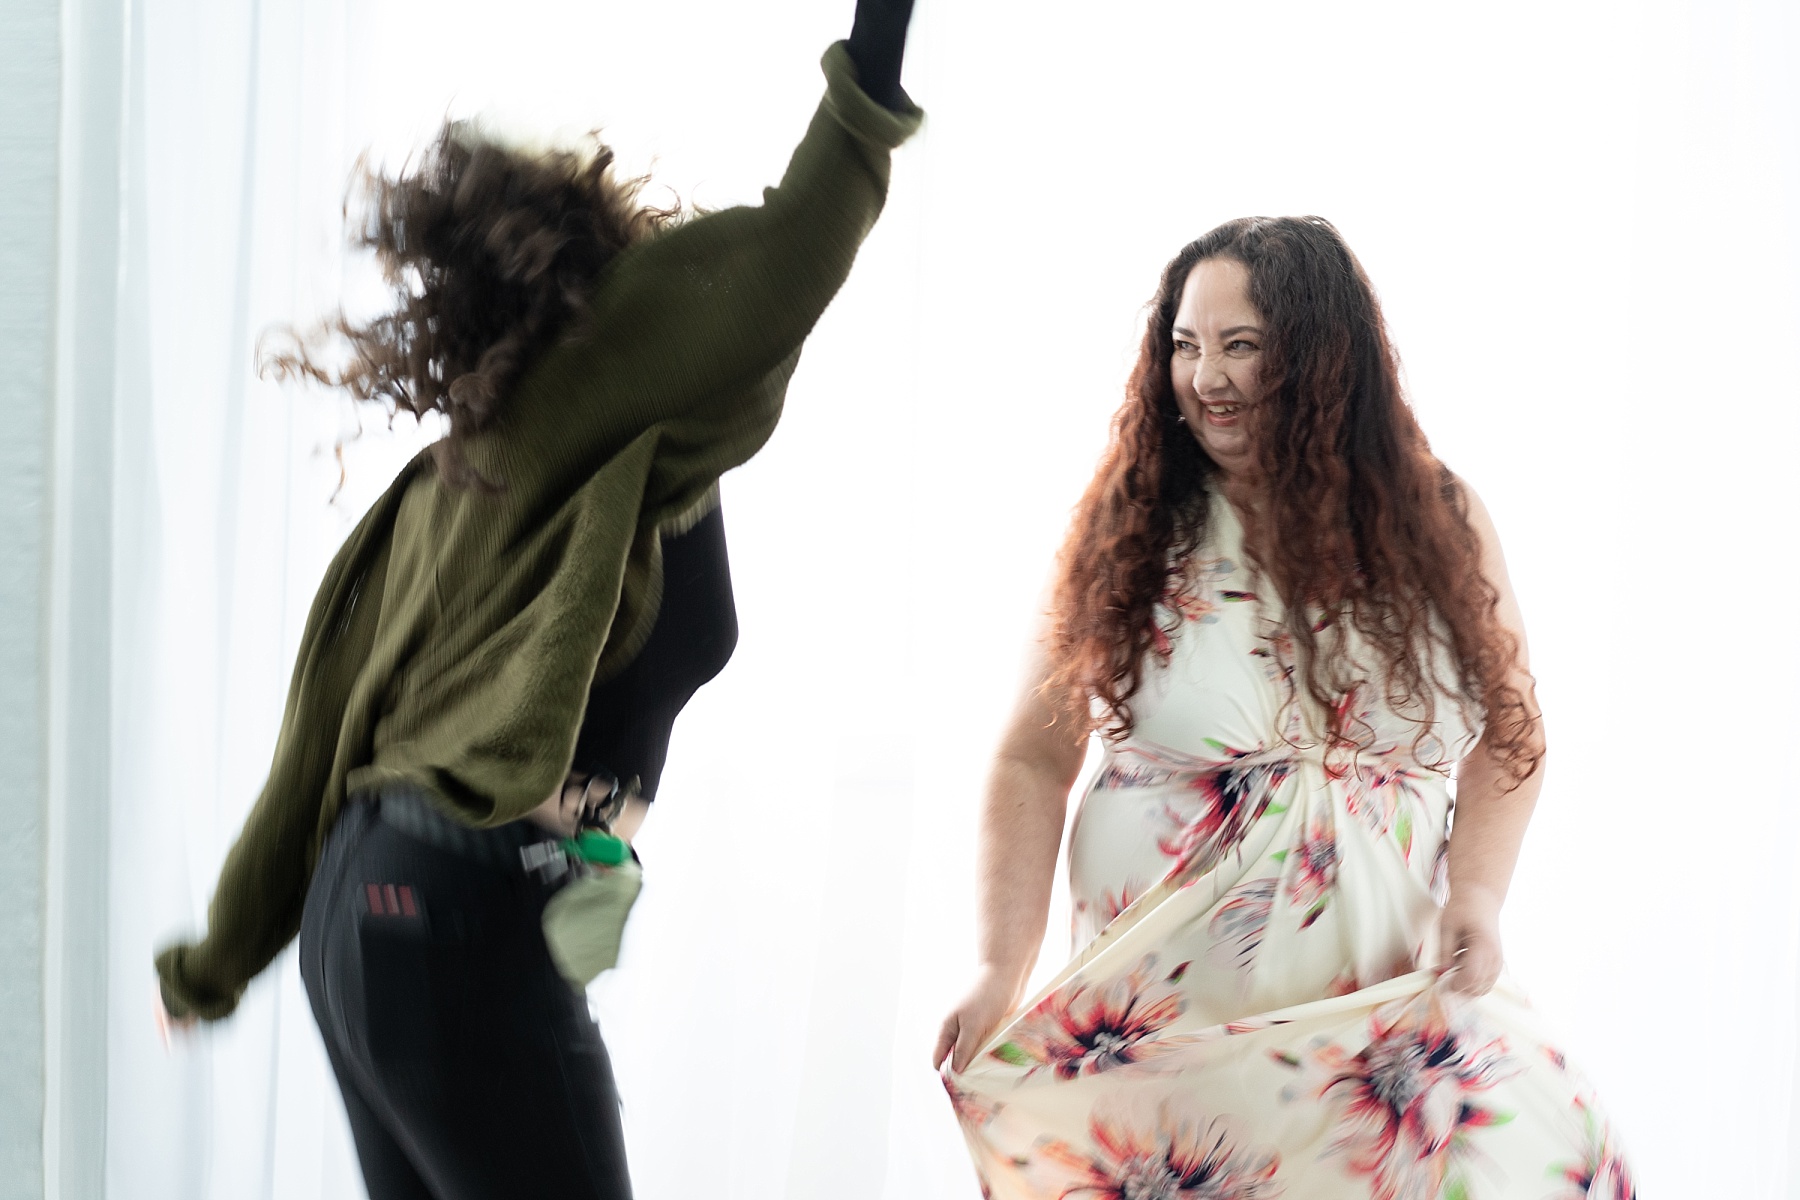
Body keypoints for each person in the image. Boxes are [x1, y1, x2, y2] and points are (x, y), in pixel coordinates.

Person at [151, 3, 920, 1197]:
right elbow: (797, 244)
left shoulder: (476, 482)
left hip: (369, 918)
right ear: (607, 269)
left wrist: (215, 966)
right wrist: (884, 33)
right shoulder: (586, 392)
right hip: (456, 912)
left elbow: (317, 748)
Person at [934, 218, 1635, 1200]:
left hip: (1369, 1028)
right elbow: (1031, 762)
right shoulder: (1128, 522)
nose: (1205, 377)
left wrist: (1475, 897)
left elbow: (1510, 737)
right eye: (1185, 345)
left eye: (1240, 345)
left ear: (1320, 356)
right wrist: (997, 969)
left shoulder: (1441, 517)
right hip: (1164, 1037)